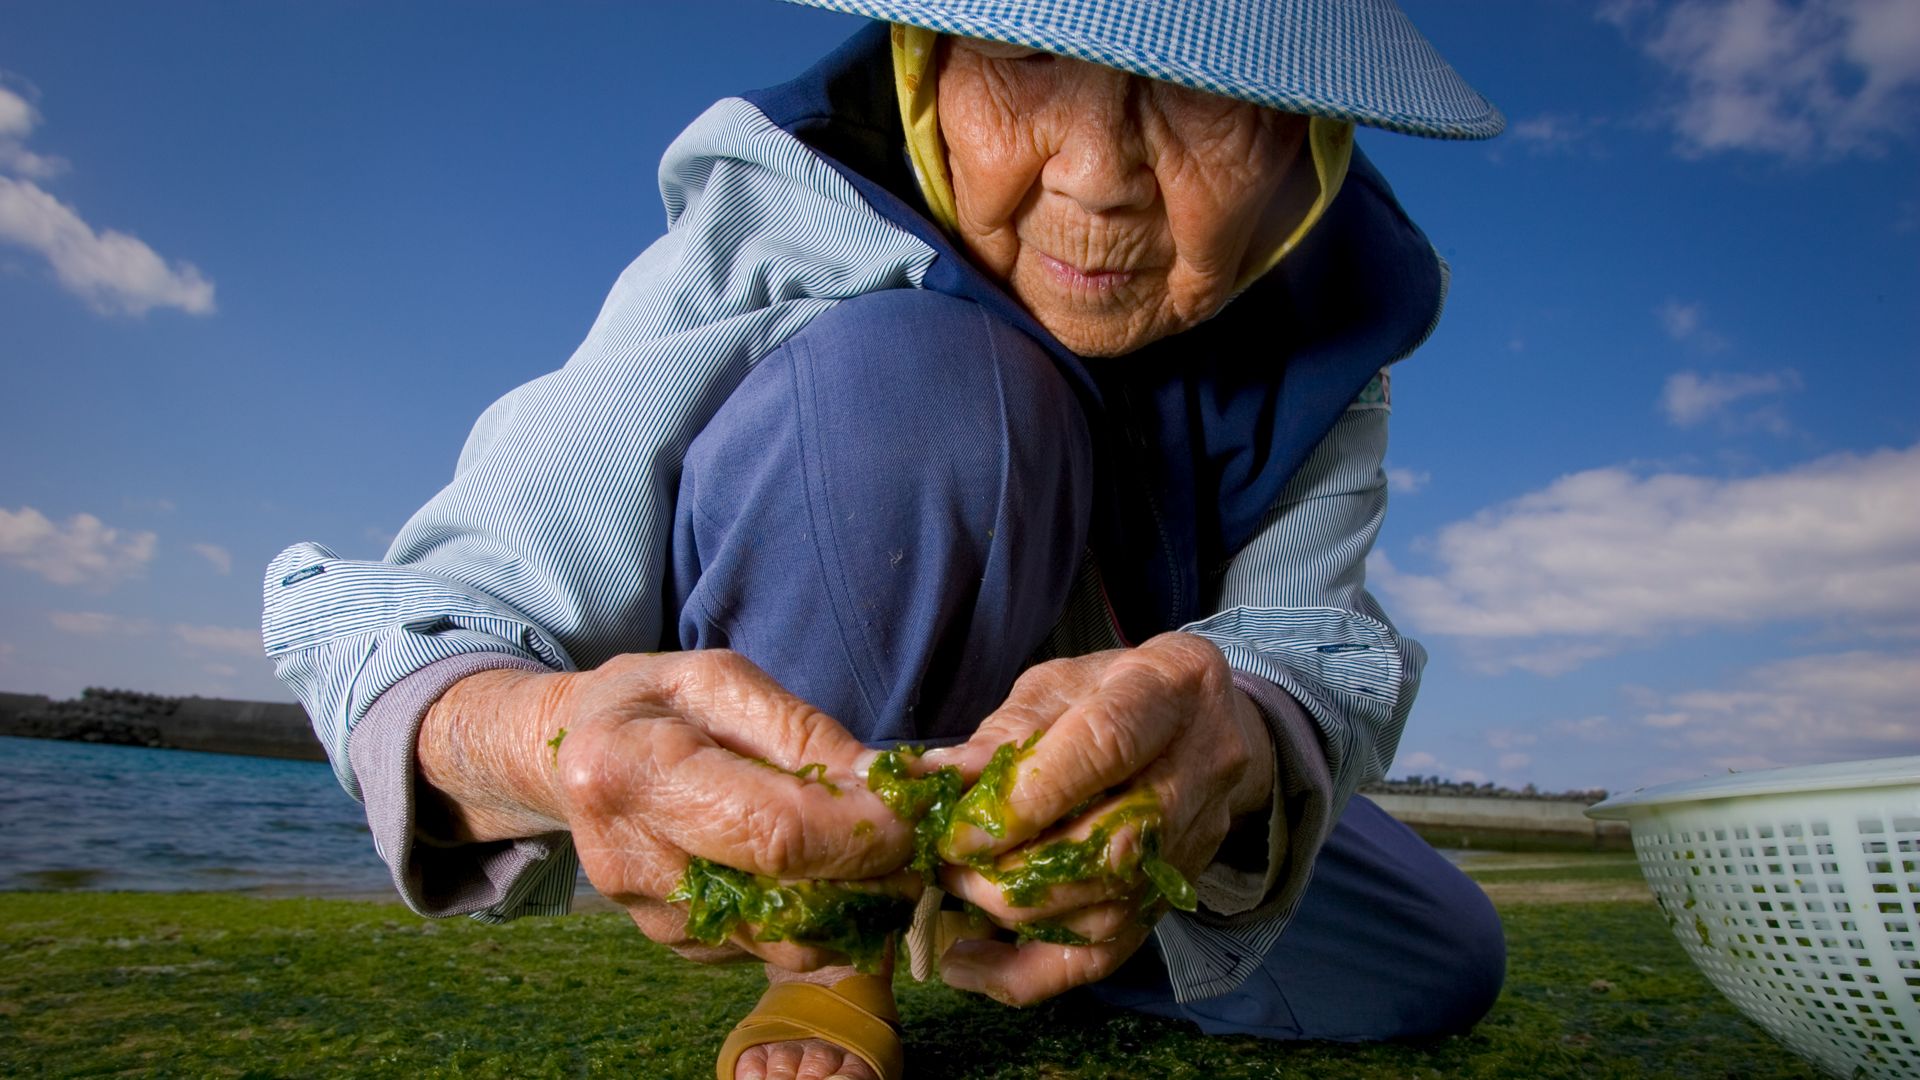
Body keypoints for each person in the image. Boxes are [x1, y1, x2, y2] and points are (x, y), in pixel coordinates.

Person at [262, 2, 1509, 1077]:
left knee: (1438, 960)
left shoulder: (1335, 316)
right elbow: (429, 614)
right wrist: (537, 745)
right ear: (925, 60)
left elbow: (1307, 631)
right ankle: (831, 948)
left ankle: (1021, 914)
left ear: (1307, 140)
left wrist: (1236, 748)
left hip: (1097, 799)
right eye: (1024, 63)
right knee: (925, 391)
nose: (1093, 176)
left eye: (1198, 97)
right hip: (820, 739)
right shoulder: (778, 213)